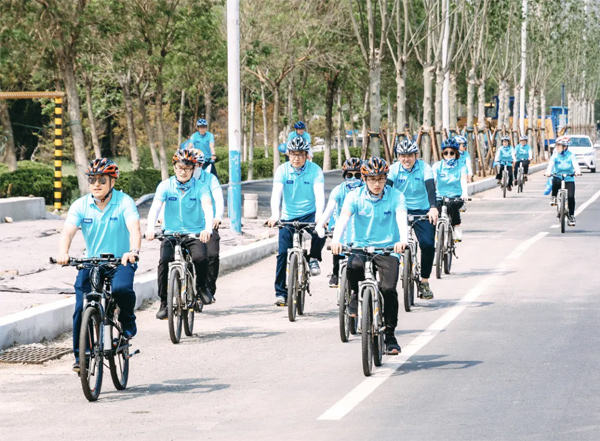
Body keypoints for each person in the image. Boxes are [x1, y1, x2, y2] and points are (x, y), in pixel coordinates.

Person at [57, 158, 141, 372]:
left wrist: (133, 251)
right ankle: (82, 357)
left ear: (112, 181)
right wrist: (63, 252)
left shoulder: (124, 202)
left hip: (121, 260)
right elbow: (68, 232)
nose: (96, 184)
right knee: (81, 307)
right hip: (91, 261)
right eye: (92, 180)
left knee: (121, 289)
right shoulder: (80, 205)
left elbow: (134, 229)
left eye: (102, 180)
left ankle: (127, 321)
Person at [330, 157, 408, 355]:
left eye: (381, 179)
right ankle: (356, 294)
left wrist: (403, 240)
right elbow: (343, 219)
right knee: (353, 266)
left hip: (387, 248)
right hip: (361, 246)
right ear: (364, 179)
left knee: (388, 289)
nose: (377, 183)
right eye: (372, 179)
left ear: (386, 179)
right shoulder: (354, 196)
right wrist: (336, 240)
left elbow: (401, 219)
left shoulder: (396, 196)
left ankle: (390, 335)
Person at [146, 149, 214, 320]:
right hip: (171, 233)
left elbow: (207, 207)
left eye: (188, 168)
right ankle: (164, 302)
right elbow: (155, 207)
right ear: (174, 167)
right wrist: (150, 228)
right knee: (164, 262)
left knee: (200, 258)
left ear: (193, 169)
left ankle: (201, 287)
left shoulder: (201, 187)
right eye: (180, 168)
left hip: (194, 233)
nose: (183, 172)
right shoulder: (165, 186)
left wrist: (207, 229)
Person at [267, 136, 326, 306]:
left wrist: (319, 217)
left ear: (307, 155)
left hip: (310, 213)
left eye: (300, 154)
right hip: (288, 216)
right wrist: (275, 215)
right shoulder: (282, 170)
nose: (296, 158)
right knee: (282, 254)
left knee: (320, 232)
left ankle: (313, 258)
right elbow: (276, 194)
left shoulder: (315, 170)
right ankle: (280, 293)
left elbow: (319, 195)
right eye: (293, 154)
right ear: (288, 154)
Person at [388, 139, 438, 299]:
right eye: (402, 156)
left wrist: (433, 207)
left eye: (410, 155)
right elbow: (386, 189)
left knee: (428, 244)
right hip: (399, 209)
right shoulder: (394, 169)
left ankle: (424, 282)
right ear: (398, 157)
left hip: (422, 210)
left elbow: (430, 187)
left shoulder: (425, 168)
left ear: (416, 155)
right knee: (386, 244)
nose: (406, 159)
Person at [315, 157, 364, 287]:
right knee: (338, 243)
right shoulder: (338, 190)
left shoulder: (366, 190)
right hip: (340, 220)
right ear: (344, 176)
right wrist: (320, 224)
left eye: (357, 175)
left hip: (359, 222)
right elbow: (329, 209)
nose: (353, 178)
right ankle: (336, 273)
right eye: (349, 175)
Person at [194, 152, 224, 301]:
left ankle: (209, 288)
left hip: (208, 221)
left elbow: (218, 198)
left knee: (212, 254)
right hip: (188, 224)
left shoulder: (210, 179)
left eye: (198, 164)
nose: (194, 167)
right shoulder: (180, 180)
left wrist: (218, 217)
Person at [432, 138, 468, 241]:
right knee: (435, 211)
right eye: (446, 153)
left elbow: (463, 179)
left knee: (451, 205)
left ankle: (456, 227)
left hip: (455, 197)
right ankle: (436, 233)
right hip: (440, 196)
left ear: (456, 153)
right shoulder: (437, 166)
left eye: (451, 153)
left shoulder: (461, 166)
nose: (448, 155)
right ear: (442, 154)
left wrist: (464, 193)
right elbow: (433, 179)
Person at [545, 136, 582, 226]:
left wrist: (577, 171)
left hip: (569, 178)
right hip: (558, 176)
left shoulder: (571, 156)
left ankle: (571, 216)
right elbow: (551, 164)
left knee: (571, 197)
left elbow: (575, 164)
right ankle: (553, 197)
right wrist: (548, 172)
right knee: (555, 181)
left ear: (565, 147)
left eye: (559, 145)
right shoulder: (555, 155)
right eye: (556, 145)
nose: (557, 147)